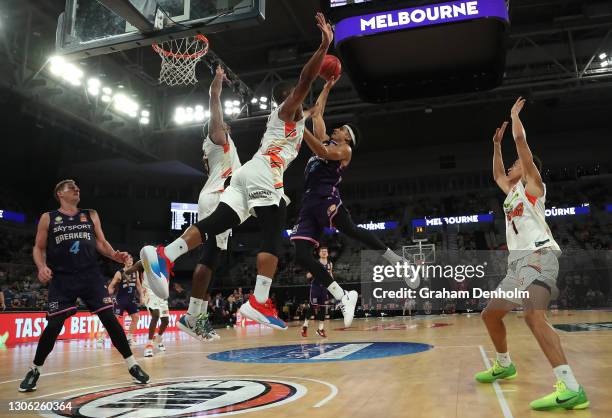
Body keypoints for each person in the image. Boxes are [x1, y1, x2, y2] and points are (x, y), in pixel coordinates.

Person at [139, 13, 349, 330]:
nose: (304, 101)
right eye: (299, 96)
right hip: (264, 174)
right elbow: (305, 81)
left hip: (245, 176)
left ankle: (165, 255)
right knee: (274, 227)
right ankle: (258, 301)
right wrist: (323, 47)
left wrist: (329, 85)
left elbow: (315, 107)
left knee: (215, 223)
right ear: (288, 98)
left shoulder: (296, 120)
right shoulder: (286, 111)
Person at [474, 97, 589, 410]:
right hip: (518, 266)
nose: (511, 166)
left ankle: (571, 387)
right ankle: (504, 364)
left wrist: (514, 120)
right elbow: (497, 176)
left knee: (532, 317)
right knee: (490, 314)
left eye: (516, 164)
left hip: (539, 256)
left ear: (525, 169)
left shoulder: (534, 189)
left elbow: (522, 141)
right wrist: (496, 146)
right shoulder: (512, 195)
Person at [291, 78, 418, 327]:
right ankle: (342, 296)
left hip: (327, 197)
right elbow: (317, 113)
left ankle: (396, 260)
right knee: (301, 255)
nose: (337, 129)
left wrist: (299, 128)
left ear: (347, 138)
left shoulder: (344, 151)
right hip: (308, 203)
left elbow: (323, 153)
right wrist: (327, 86)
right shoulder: (326, 140)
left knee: (350, 230)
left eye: (342, 130)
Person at [19, 180, 149, 392]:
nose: (77, 188)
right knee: (53, 327)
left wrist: (115, 254)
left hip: (91, 277)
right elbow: (38, 247)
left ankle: (133, 365)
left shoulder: (90, 214)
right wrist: (41, 266)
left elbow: (101, 243)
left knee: (110, 320)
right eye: (71, 187)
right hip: (62, 279)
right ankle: (34, 370)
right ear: (60, 193)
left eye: (77, 186)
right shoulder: (48, 218)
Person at [177, 65, 241, 342]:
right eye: (222, 122)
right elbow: (214, 100)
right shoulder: (217, 136)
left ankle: (197, 318)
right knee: (209, 256)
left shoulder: (221, 144)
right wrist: (217, 81)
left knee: (213, 258)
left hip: (220, 196)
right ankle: (192, 316)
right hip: (217, 197)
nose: (225, 124)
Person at [108, 255, 143, 345]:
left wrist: (142, 296)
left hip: (131, 300)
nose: (130, 260)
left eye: (131, 259)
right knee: (113, 320)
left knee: (135, 317)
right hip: (121, 300)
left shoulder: (136, 272)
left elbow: (138, 285)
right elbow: (111, 286)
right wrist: (108, 296)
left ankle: (129, 338)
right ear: (124, 262)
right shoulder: (119, 272)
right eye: (128, 259)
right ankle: (101, 338)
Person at [302, 246, 333, 337]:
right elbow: (308, 276)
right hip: (315, 287)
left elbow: (330, 275)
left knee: (323, 308)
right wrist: (314, 271)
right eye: (322, 251)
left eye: (325, 251)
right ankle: (304, 327)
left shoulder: (330, 264)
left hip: (324, 288)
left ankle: (320, 329)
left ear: (327, 253)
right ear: (319, 253)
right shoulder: (315, 263)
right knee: (312, 307)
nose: (324, 252)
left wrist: (333, 286)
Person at [141, 271, 170, 357]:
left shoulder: (166, 262)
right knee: (156, 315)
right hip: (150, 292)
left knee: (166, 321)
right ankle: (149, 345)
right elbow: (133, 269)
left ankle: (158, 339)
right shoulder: (146, 260)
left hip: (161, 293)